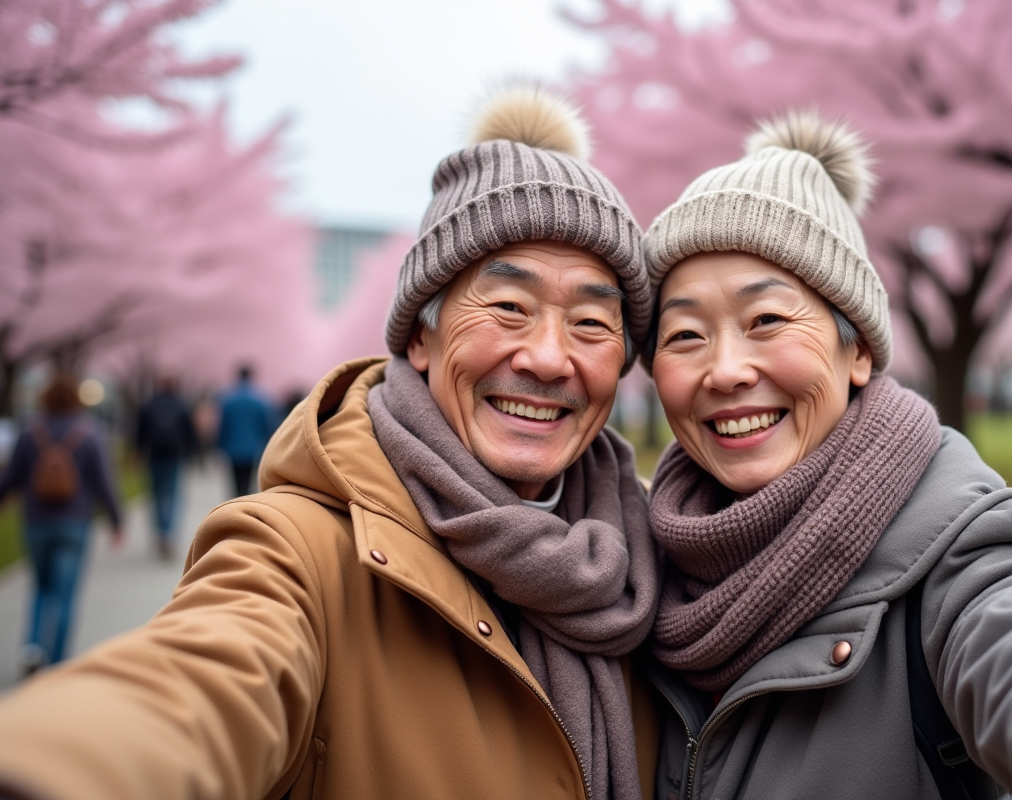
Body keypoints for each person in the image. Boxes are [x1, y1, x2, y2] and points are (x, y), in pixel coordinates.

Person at [0, 86, 661, 800]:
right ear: (419, 336)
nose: (549, 358)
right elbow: (202, 684)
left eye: (592, 324)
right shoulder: (296, 553)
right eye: (508, 307)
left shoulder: (653, 558)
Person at [638, 112, 1012, 799]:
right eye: (685, 334)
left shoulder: (964, 556)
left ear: (860, 350)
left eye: (768, 321)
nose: (724, 371)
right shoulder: (636, 570)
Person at [0, 374, 123, 676]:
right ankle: (57, 662)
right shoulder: (89, 433)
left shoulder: (30, 433)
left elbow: (12, 476)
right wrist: (116, 519)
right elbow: (103, 482)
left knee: (41, 587)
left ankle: (33, 646)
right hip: (74, 522)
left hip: (36, 521)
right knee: (66, 593)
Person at [135, 375, 197, 560]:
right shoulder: (181, 405)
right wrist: (191, 454)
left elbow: (139, 431)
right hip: (174, 455)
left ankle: (160, 530)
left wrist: (138, 452)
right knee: (173, 494)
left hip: (154, 455)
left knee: (155, 495)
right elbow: (190, 433)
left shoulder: (148, 405)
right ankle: (168, 532)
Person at [216, 364, 275, 497]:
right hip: (253, 448)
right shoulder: (261, 400)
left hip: (232, 448)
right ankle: (245, 504)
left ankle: (236, 504)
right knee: (248, 482)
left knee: (235, 482)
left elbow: (223, 426)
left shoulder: (227, 399)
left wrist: (219, 446)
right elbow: (266, 426)